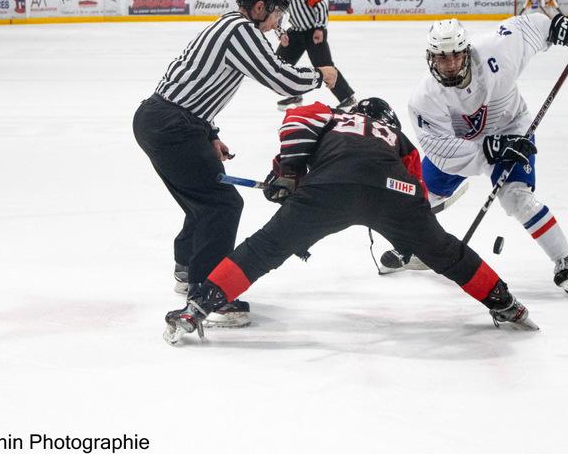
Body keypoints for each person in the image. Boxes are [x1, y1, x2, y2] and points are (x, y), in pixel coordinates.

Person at [163, 97, 538, 344]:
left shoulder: (333, 116)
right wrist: (417, 239)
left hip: (331, 187)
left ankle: (197, 305)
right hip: (395, 192)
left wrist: (288, 174)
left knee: (264, 249)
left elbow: (296, 121)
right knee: (448, 252)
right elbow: (419, 194)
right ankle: (505, 302)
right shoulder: (400, 139)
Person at [133, 0, 339, 326]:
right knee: (222, 203)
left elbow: (193, 81)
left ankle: (187, 268)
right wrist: (321, 76)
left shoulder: (229, 27)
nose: (277, 23)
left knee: (203, 200)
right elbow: (279, 78)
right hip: (172, 125)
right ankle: (207, 290)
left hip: (163, 120)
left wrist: (208, 131)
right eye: (276, 14)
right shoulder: (241, 31)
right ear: (259, 7)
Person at [378, 13, 568, 296]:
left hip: (510, 128)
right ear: (430, 58)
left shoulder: (496, 51)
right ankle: (410, 246)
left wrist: (560, 27)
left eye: (456, 56)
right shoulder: (424, 97)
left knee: (516, 198)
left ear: (467, 51)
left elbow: (528, 27)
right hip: (461, 144)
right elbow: (439, 148)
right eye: (441, 58)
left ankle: (567, 262)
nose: (449, 65)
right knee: (420, 193)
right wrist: (486, 149)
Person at [271, 0, 356, 111]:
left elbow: (320, 6)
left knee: (323, 65)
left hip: (313, 31)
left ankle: (347, 98)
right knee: (279, 64)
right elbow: (275, 14)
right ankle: (294, 93)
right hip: (295, 32)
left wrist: (319, 28)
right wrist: (280, 33)